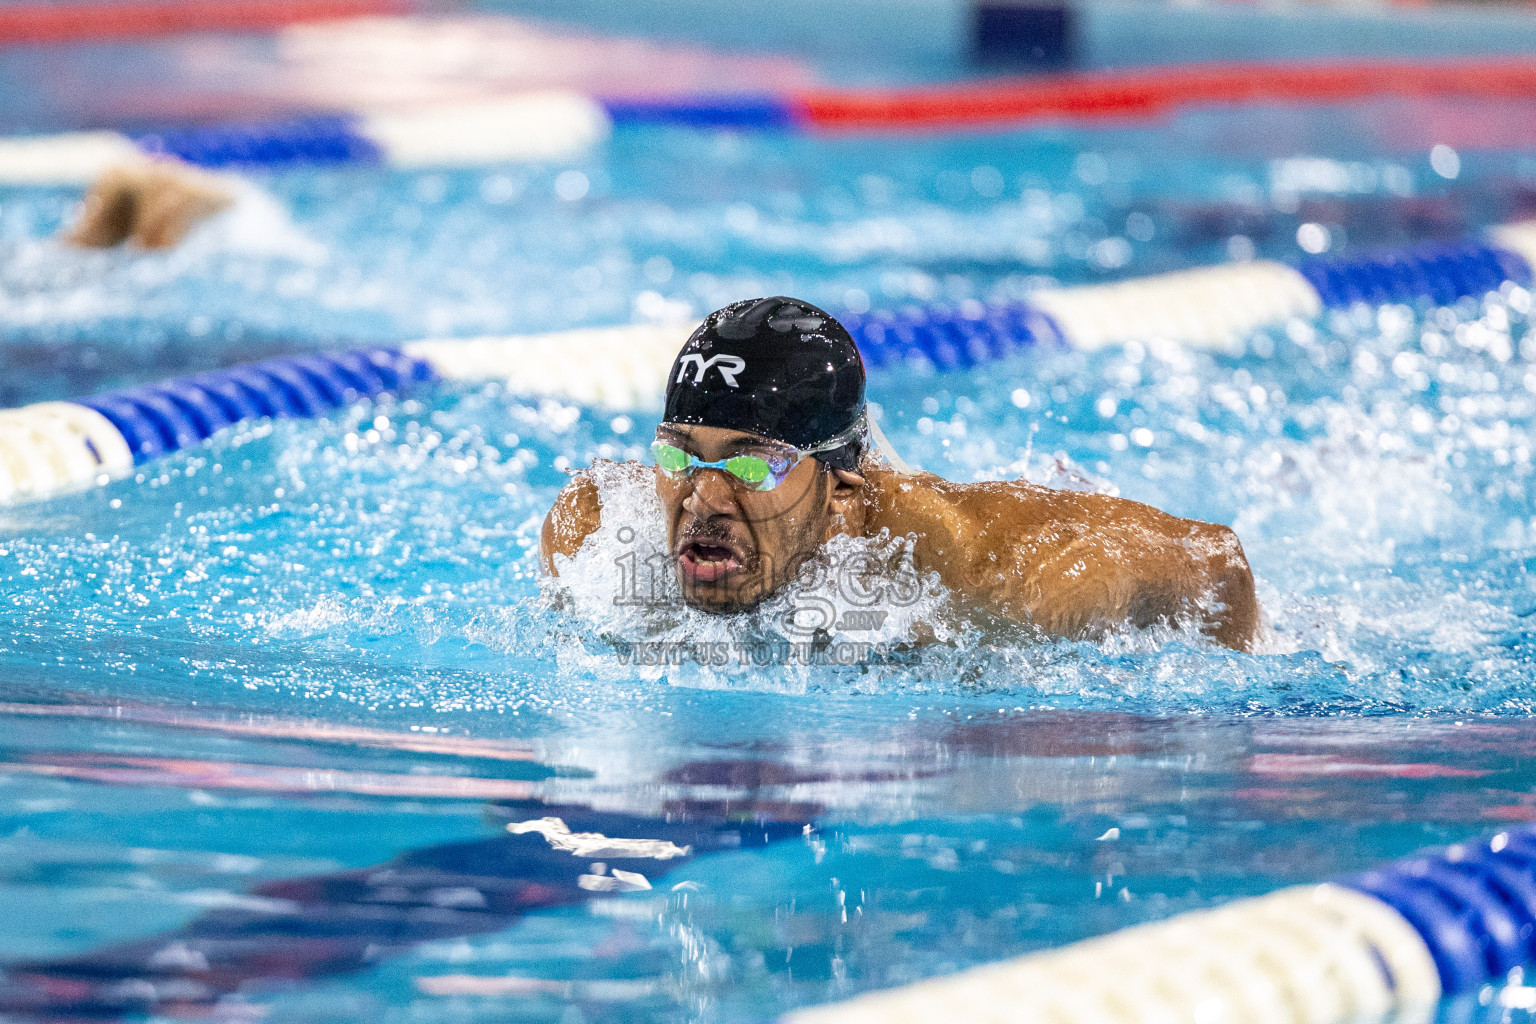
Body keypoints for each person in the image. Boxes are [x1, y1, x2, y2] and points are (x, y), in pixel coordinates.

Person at [542, 297, 1261, 651]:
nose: (702, 496)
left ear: (840, 493)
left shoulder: (984, 574)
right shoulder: (594, 533)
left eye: (751, 464)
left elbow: (1217, 561)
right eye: (680, 455)